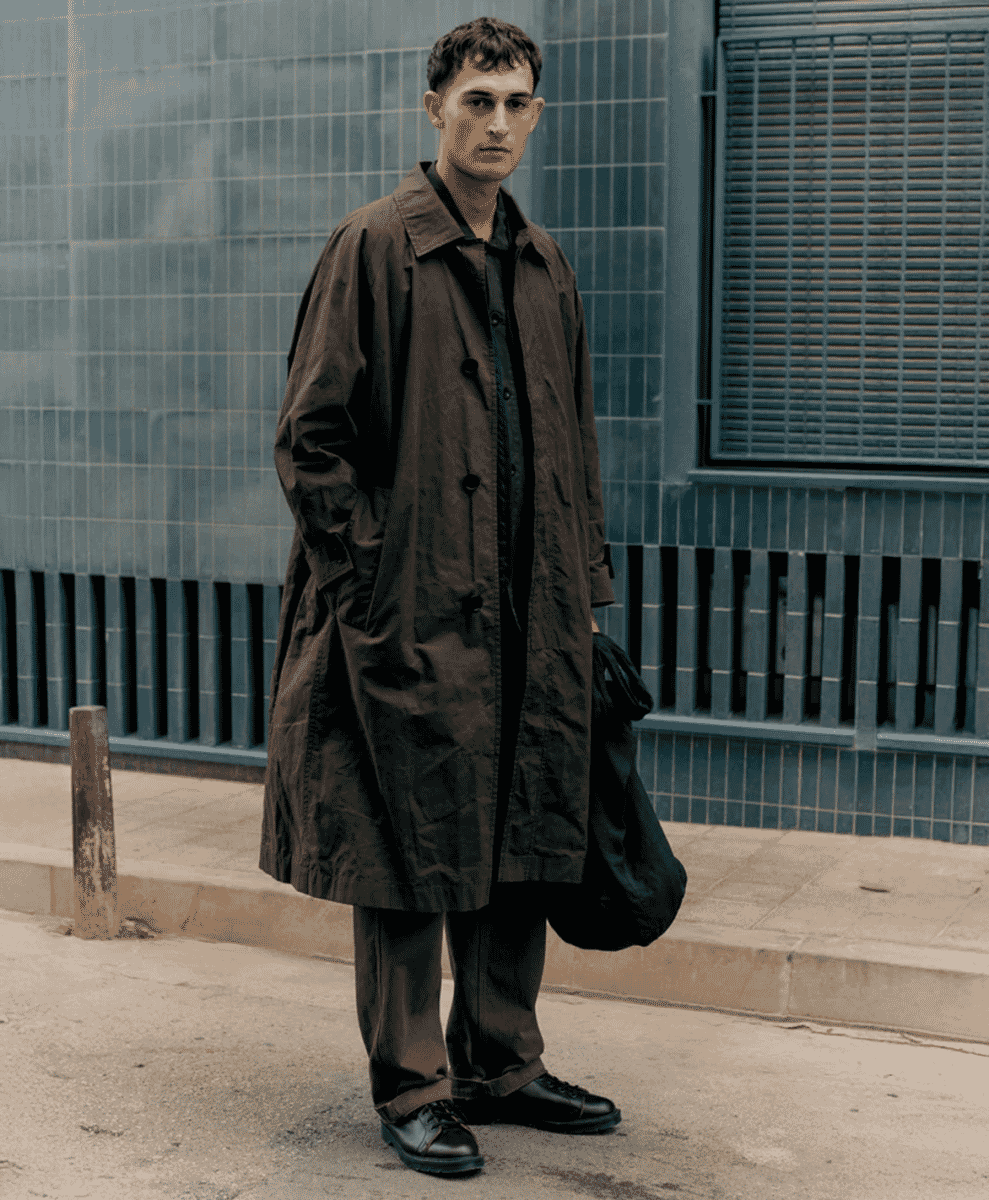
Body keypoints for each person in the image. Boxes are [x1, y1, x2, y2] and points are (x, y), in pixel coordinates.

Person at [259, 16, 617, 1177]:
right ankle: (412, 1085)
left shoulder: (542, 260)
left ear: (537, 113)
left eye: (515, 102)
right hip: (407, 609)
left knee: (522, 835)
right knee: (408, 846)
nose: (497, 123)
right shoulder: (374, 248)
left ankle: (500, 1066)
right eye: (476, 101)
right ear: (433, 110)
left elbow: (572, 445)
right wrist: (372, 583)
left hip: (531, 609)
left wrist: (585, 593)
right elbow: (310, 442)